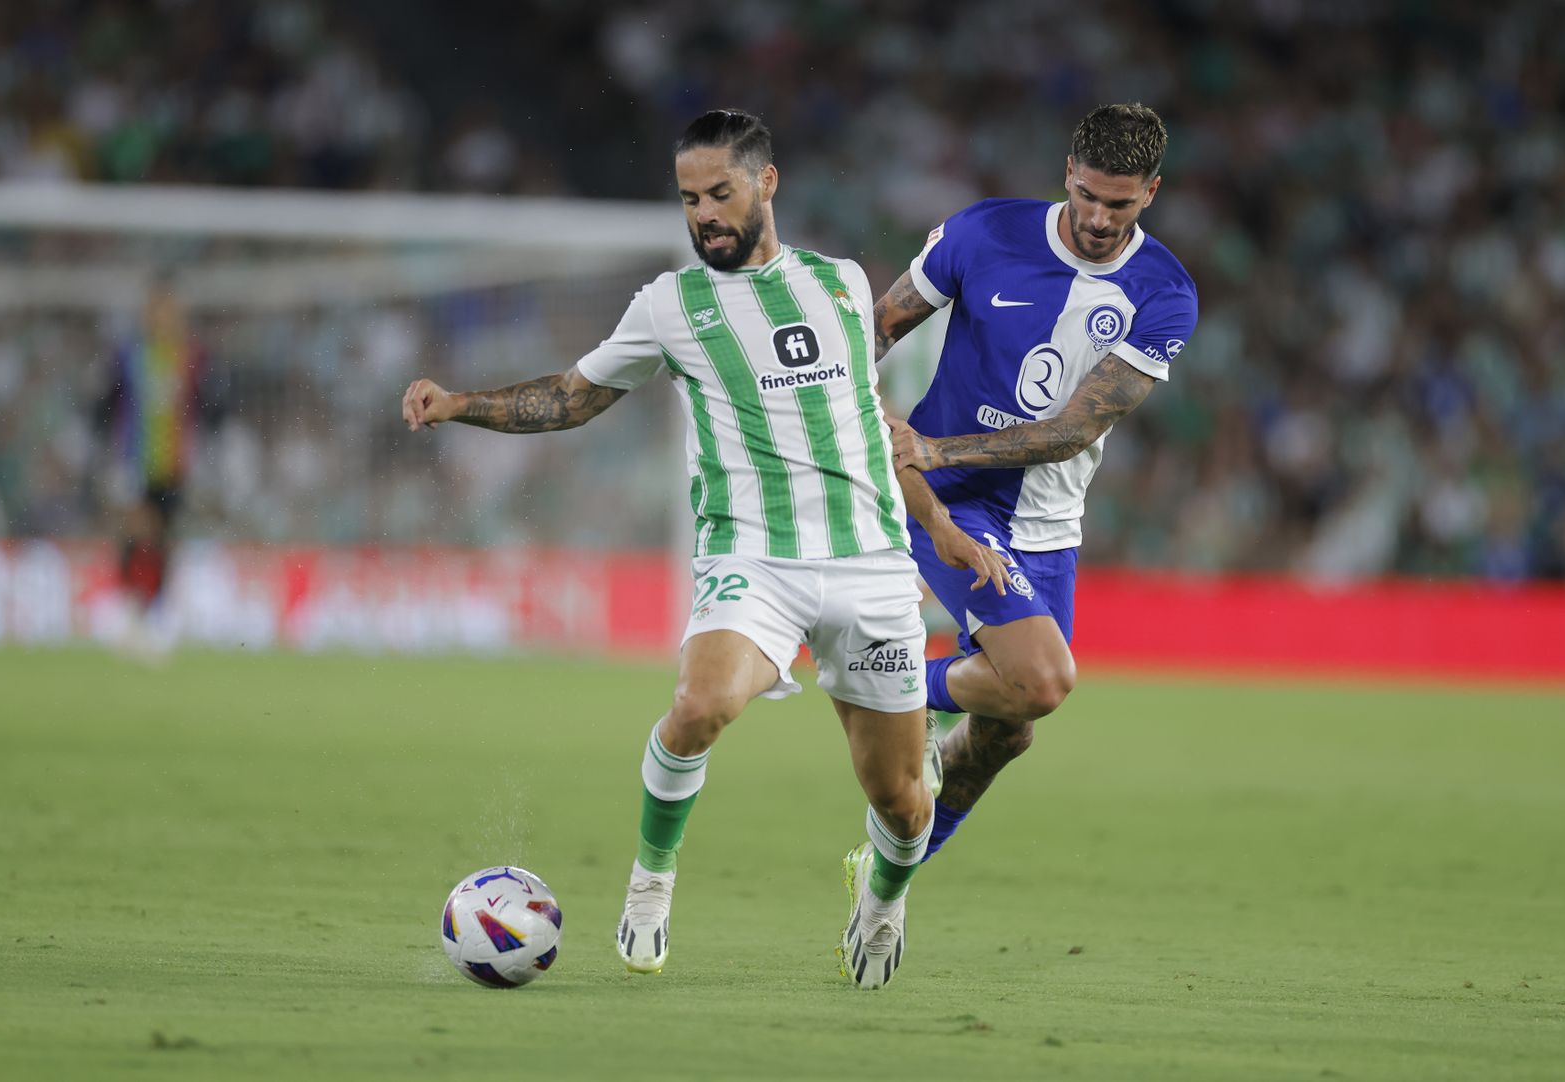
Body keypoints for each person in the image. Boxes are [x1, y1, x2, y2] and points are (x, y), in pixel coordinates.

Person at [401, 110, 1005, 989]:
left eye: (720, 193)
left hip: (872, 564)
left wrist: (939, 525)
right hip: (752, 558)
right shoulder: (670, 304)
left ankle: (881, 896)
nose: (705, 214)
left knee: (904, 803)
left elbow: (869, 424)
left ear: (767, 184)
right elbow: (573, 397)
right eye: (690, 199)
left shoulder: (840, 285)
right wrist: (461, 404)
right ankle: (651, 882)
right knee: (699, 703)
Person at [875, 103, 1198, 862]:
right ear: (1067, 174)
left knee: (1008, 730)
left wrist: (936, 443)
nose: (1095, 215)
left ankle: (894, 871)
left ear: (1150, 192)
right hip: (951, 497)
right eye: (1086, 193)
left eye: (1117, 203)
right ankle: (886, 679)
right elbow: (880, 325)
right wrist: (868, 417)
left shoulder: (1163, 294)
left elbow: (1073, 431)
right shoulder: (984, 232)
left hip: (1050, 524)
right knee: (1044, 682)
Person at [94, 278, 211, 655]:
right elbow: (108, 401)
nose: (165, 317)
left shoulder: (191, 355)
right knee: (138, 529)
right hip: (135, 459)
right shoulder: (129, 354)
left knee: (163, 537)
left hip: (174, 463)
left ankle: (155, 614)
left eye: (171, 310)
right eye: (159, 310)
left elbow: (205, 403)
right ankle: (130, 608)